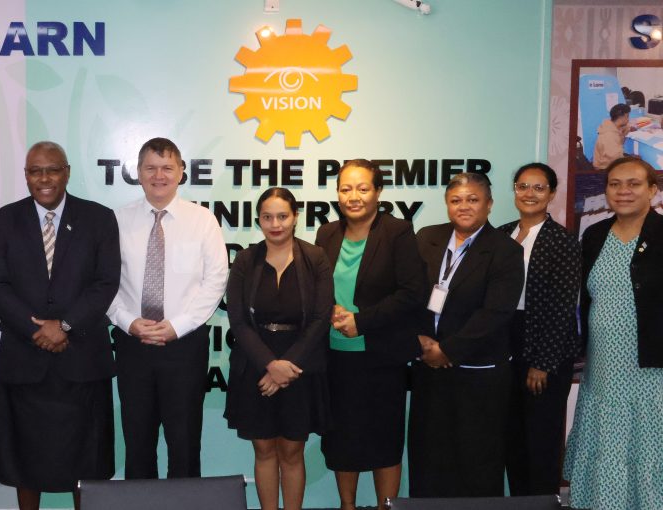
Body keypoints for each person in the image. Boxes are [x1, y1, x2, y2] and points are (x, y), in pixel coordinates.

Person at [0, 141, 120, 510]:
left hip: (82, 359)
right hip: (24, 359)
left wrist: (66, 326)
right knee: (25, 460)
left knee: (86, 461)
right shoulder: (3, 221)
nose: (44, 178)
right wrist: (37, 330)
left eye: (52, 170)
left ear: (67, 172)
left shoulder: (99, 218)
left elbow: (106, 282)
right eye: (35, 171)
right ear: (26, 175)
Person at [108, 137, 229, 479]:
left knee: (185, 442)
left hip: (184, 346)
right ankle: (141, 503)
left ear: (180, 172)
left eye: (167, 168)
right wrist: (128, 322)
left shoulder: (202, 220)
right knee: (137, 442)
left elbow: (216, 279)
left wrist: (178, 325)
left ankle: (185, 503)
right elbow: (104, 282)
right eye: (150, 168)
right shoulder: (117, 220)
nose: (158, 176)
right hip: (133, 344)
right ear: (138, 172)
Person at [314, 160, 424, 510]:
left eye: (363, 188)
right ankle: (347, 506)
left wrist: (361, 321)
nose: (354, 196)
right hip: (335, 356)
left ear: (378, 192)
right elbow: (318, 286)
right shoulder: (326, 233)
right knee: (342, 439)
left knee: (384, 440)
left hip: (382, 356)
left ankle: (384, 507)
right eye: (346, 189)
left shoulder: (398, 232)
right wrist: (329, 307)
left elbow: (412, 293)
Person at [409, 172, 524, 497]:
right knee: (428, 456)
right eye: (456, 200)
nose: (464, 206)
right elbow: (408, 293)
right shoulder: (426, 238)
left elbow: (496, 312)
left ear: (489, 204)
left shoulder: (505, 250)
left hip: (478, 375)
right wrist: (419, 340)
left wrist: (447, 350)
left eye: (473, 200)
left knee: (476, 460)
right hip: (428, 370)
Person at [564, 156, 663, 510]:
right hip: (602, 366)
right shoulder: (594, 236)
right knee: (606, 440)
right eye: (615, 184)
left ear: (653, 190)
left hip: (650, 368)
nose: (623, 191)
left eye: (634, 184)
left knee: (647, 445)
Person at [225, 187, 333, 510]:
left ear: (295, 217)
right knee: (263, 449)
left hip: (301, 364)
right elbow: (238, 320)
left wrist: (287, 366)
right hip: (255, 365)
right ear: (258, 220)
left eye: (282, 216)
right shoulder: (246, 260)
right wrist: (270, 365)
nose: (275, 224)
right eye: (267, 217)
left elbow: (321, 317)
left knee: (292, 451)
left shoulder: (315, 258)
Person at [497, 163, 580, 497]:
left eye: (538, 187)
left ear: (552, 194)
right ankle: (520, 502)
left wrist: (542, 363)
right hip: (506, 341)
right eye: (522, 186)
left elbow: (562, 307)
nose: (529, 194)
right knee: (512, 436)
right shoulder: (500, 233)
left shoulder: (562, 241)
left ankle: (543, 503)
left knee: (540, 438)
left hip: (545, 344)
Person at [593, 103, 632, 170]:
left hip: (611, 159)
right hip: (604, 167)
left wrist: (628, 129)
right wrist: (631, 159)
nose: (628, 119)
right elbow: (616, 159)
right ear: (621, 117)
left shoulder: (612, 125)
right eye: (627, 116)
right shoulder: (609, 135)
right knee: (637, 165)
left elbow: (623, 129)